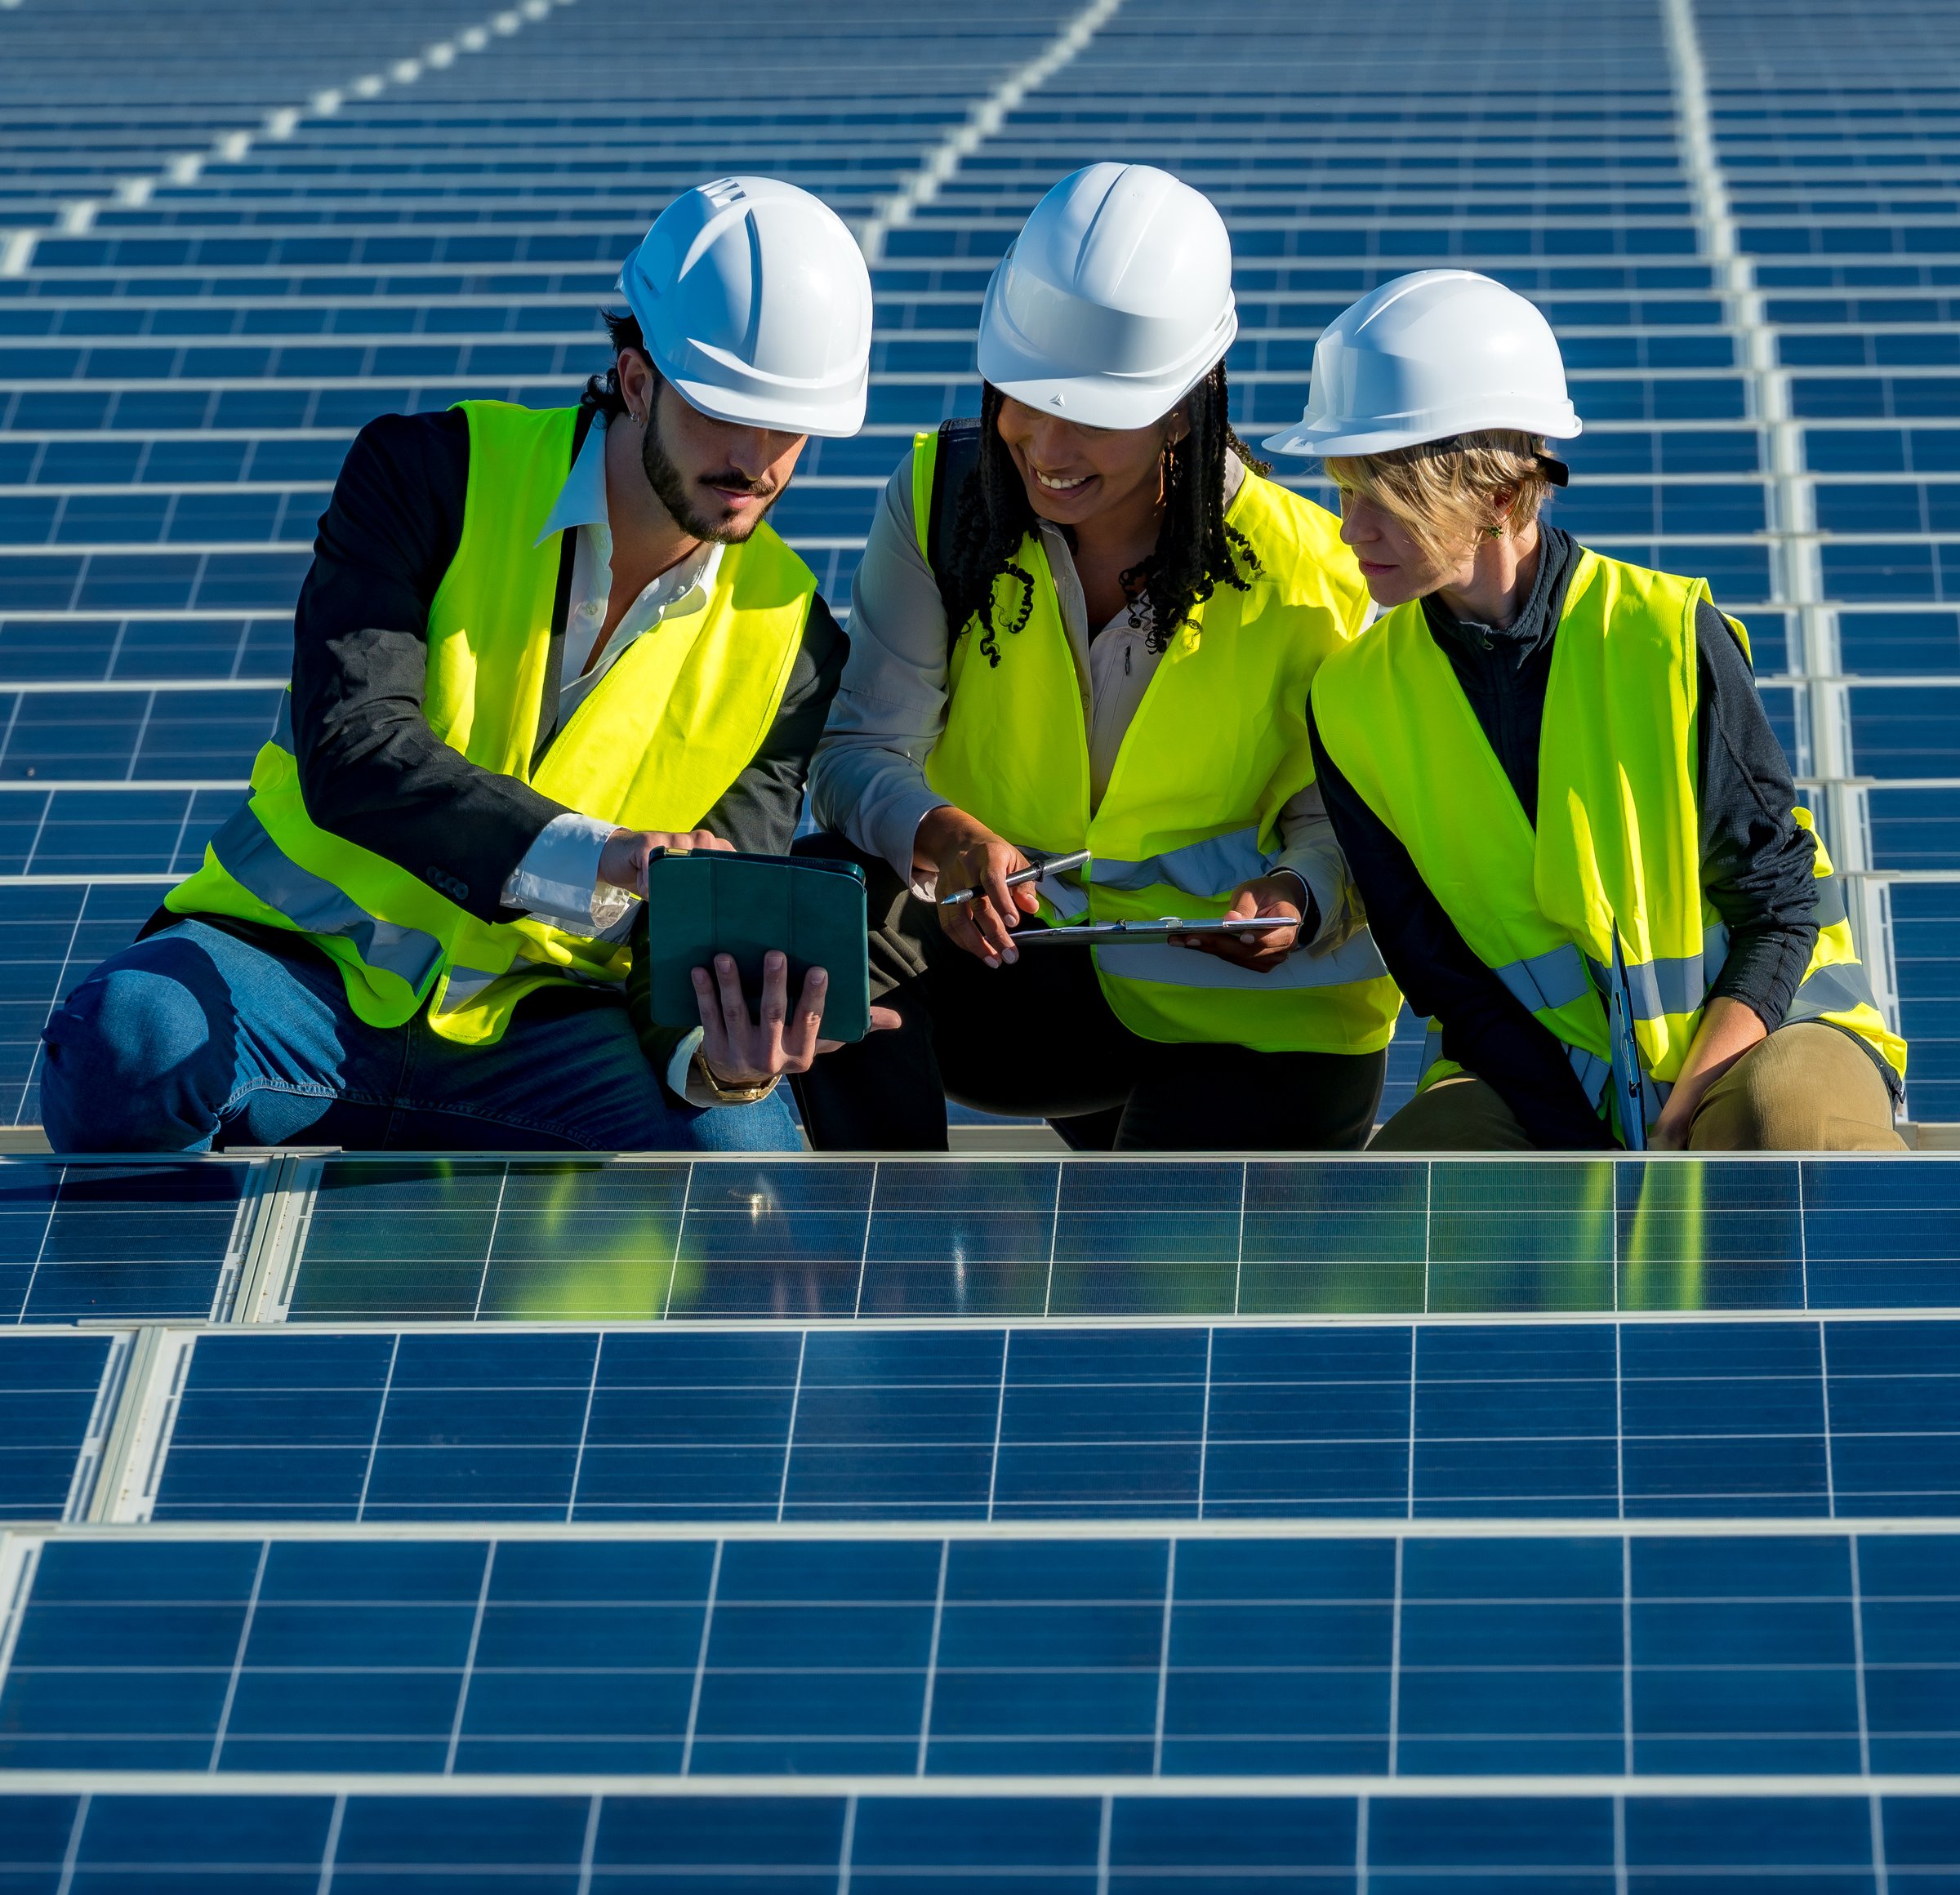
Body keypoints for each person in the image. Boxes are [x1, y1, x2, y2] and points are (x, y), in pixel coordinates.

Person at [39, 176, 895, 1155]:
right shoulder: (426, 473)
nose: (756, 459)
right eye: (721, 410)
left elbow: (698, 930)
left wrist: (720, 1060)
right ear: (636, 376)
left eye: (788, 428)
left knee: (745, 1155)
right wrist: (605, 855)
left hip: (538, 1034)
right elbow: (354, 749)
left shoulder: (794, 643)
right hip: (292, 977)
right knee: (130, 1043)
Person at [801, 161, 1399, 1152]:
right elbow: (857, 752)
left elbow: (1339, 821)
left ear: (1183, 406)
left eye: (1091, 412)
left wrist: (1299, 895)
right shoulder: (944, 504)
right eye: (1022, 396)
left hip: (1258, 1023)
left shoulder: (1319, 577)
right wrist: (944, 837)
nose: (1041, 441)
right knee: (820, 906)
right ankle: (876, 1246)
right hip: (1025, 978)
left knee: (1143, 1279)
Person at [1272, 269, 1906, 1153]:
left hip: (1764, 1026)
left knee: (1782, 1132)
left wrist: (1680, 1116)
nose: (1348, 531)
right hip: (1536, 1067)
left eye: (1383, 498)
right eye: (1343, 492)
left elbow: (1781, 907)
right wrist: (1587, 1145)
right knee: (1426, 1188)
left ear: (1497, 494)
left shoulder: (1666, 633)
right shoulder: (1349, 701)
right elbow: (1445, 980)